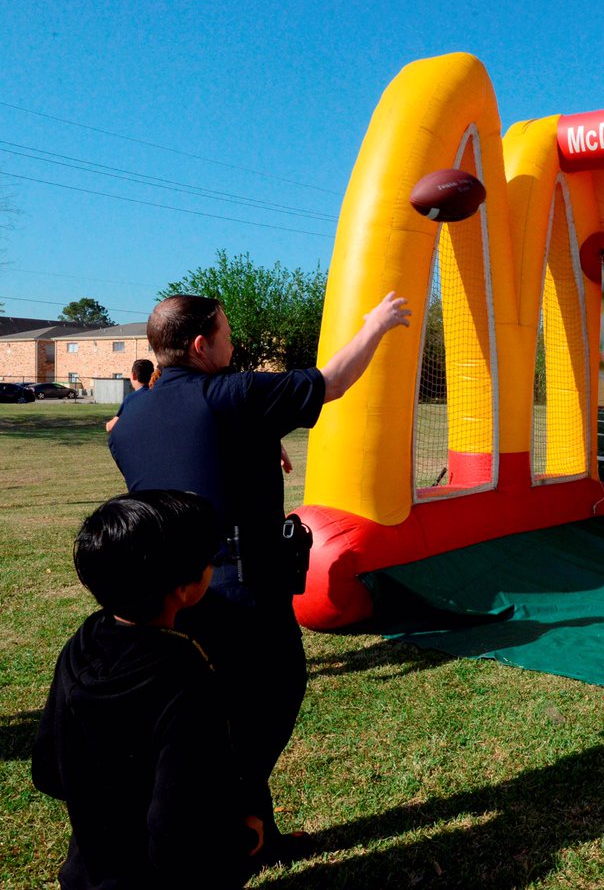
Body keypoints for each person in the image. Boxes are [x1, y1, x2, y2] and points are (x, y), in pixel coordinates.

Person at [107, 291, 411, 863]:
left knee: (216, 707)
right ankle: (229, 817)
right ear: (201, 345)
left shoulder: (133, 416)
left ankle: (257, 833)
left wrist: (251, 447)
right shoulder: (232, 393)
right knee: (267, 700)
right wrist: (374, 324)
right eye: (224, 333)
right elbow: (333, 380)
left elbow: (166, 449)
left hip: (168, 600)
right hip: (239, 591)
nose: (231, 342)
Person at [32, 491, 263, 889]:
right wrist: (242, 838)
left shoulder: (82, 644)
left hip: (90, 871)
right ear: (185, 588)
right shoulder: (184, 678)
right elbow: (175, 831)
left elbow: (48, 772)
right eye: (210, 560)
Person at [105, 358, 155, 432]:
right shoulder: (157, 395)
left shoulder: (131, 398)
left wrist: (108, 425)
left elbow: (111, 427)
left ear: (134, 375)